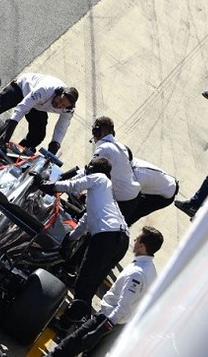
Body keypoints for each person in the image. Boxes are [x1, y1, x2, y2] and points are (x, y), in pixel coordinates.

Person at [37, 157, 130, 333]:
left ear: (94, 169)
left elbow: (74, 185)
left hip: (106, 237)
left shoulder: (101, 178)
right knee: (91, 283)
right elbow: (87, 220)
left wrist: (50, 186)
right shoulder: (104, 196)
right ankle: (80, 322)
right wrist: (70, 238)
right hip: (121, 240)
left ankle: (66, 324)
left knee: (83, 282)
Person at [48, 226, 164, 357]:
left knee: (67, 347)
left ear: (142, 247)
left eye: (138, 239)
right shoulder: (151, 270)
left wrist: (99, 330)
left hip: (107, 319)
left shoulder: (137, 274)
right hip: (119, 324)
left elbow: (123, 307)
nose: (135, 239)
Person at [0, 73, 78, 154]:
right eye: (60, 100)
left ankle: (13, 154)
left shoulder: (68, 110)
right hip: (22, 89)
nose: (59, 105)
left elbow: (61, 127)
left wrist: (54, 146)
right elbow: (21, 109)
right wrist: (7, 135)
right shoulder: (45, 90)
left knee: (37, 135)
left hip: (38, 106)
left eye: (63, 105)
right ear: (58, 93)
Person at [89, 116, 141, 221]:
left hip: (120, 199)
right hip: (132, 197)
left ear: (96, 132)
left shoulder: (104, 149)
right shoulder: (121, 147)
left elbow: (90, 173)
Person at [124, 158, 179, 226]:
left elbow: (126, 198)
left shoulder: (136, 177)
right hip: (159, 181)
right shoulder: (125, 161)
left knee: (132, 214)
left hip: (163, 196)